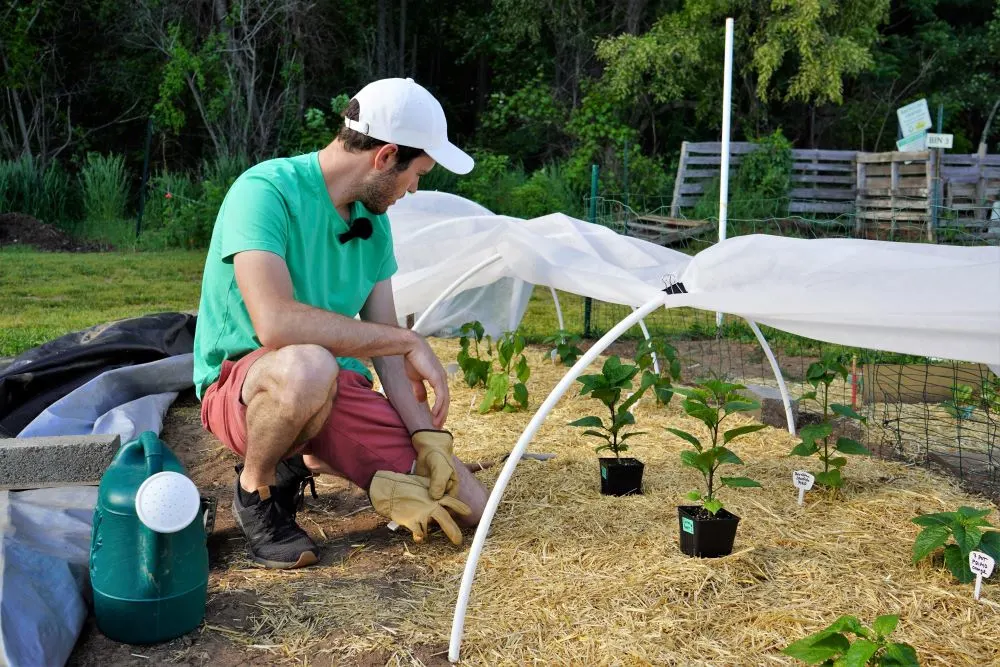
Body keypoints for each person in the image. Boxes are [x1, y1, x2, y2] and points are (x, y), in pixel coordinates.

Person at [192, 77, 488, 569]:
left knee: (468, 502)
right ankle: (256, 488)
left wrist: (427, 441)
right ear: (386, 155)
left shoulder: (375, 227)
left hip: (331, 388)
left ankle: (303, 453)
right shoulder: (264, 192)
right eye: (418, 173)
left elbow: (389, 356)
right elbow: (275, 325)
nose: (414, 189)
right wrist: (404, 340)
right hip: (244, 386)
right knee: (308, 367)